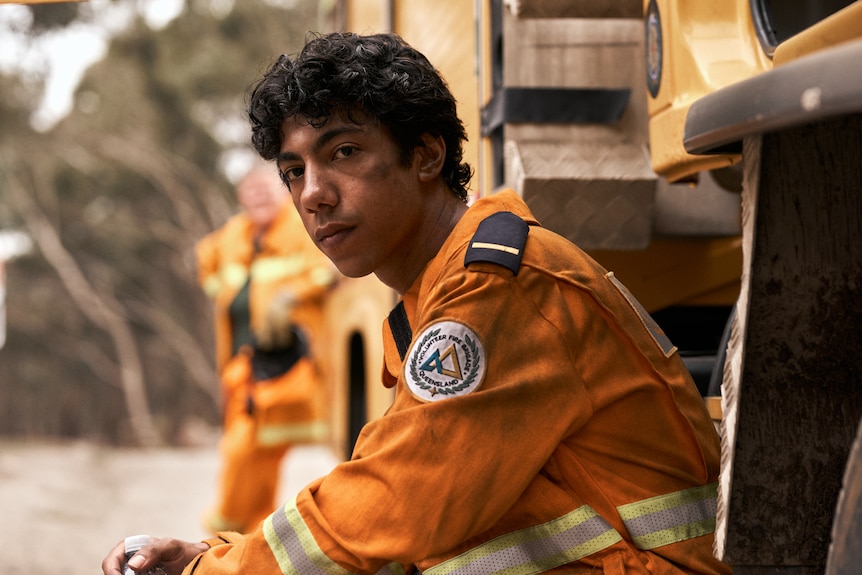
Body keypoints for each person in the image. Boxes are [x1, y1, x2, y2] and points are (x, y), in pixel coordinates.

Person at [103, 32, 730, 575]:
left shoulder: (500, 289)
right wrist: (211, 553)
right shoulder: (437, 291)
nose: (313, 195)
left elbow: (396, 500)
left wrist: (211, 567)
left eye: (343, 153)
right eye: (294, 170)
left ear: (427, 155)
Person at [194, 160, 337, 534]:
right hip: (239, 362)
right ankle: (249, 539)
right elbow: (205, 260)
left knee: (248, 451)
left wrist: (290, 298)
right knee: (255, 455)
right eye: (250, 191)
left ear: (282, 193)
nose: (258, 197)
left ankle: (222, 535)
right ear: (241, 197)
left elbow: (327, 272)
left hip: (282, 363)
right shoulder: (232, 235)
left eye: (265, 189)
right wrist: (220, 291)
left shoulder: (301, 229)